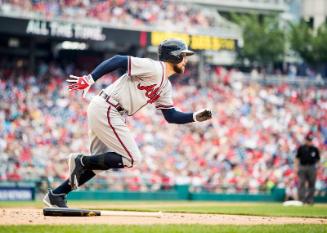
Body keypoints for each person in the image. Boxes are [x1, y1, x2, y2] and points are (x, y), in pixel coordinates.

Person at [43, 38, 212, 207]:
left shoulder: (165, 86)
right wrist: (90, 79)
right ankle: (81, 161)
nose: (186, 60)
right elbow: (118, 60)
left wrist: (194, 117)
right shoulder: (154, 67)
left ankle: (57, 194)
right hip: (108, 107)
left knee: (97, 165)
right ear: (174, 56)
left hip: (109, 110)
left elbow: (171, 116)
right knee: (131, 158)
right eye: (184, 55)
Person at [295, 133, 320, 205]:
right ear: (305, 140)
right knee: (301, 183)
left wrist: (317, 168)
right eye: (308, 140)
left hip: (312, 167)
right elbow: (297, 158)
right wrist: (296, 167)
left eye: (311, 140)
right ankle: (302, 200)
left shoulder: (315, 149)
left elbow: (318, 159)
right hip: (302, 166)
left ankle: (310, 200)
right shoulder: (301, 148)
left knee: (312, 184)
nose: (310, 142)